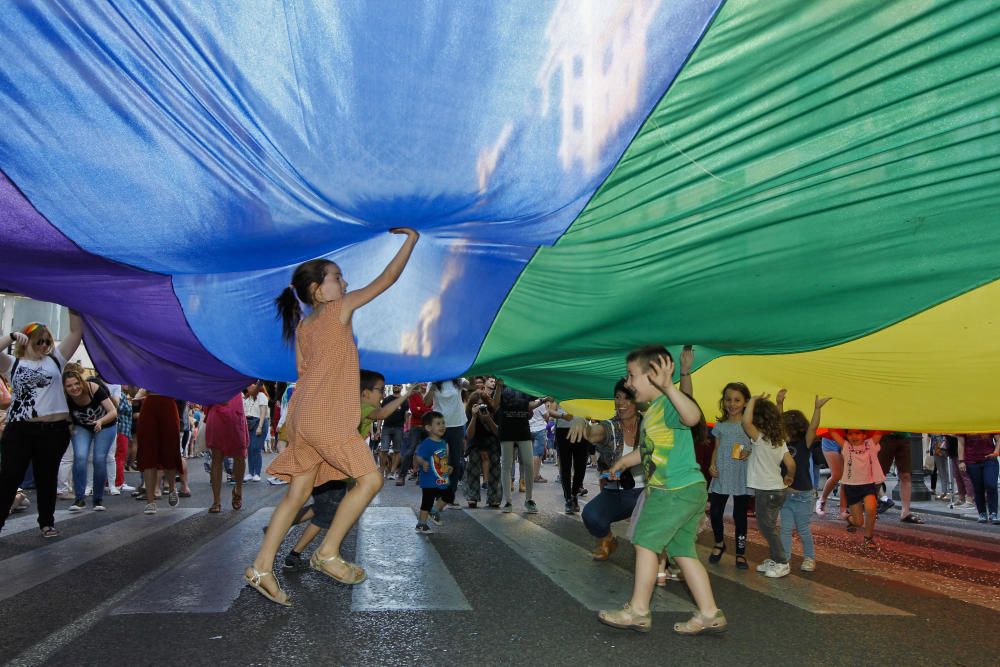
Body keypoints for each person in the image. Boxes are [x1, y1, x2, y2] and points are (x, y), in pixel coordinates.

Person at [245, 227, 418, 606]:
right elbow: (388, 278)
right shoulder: (338, 310)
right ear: (318, 290)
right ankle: (327, 552)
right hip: (326, 417)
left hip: (303, 416)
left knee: (297, 495)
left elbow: (303, 374)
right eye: (337, 277)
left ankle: (261, 567)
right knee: (370, 480)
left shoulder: (304, 327)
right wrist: (412, 239)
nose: (345, 282)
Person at [599, 345, 725, 635]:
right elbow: (647, 450)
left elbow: (693, 417)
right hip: (688, 490)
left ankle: (639, 610)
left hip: (673, 490)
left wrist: (671, 386)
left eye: (631, 375)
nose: (627, 383)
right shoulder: (652, 412)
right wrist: (622, 462)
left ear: (654, 375)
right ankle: (708, 612)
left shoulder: (668, 404)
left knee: (645, 542)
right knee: (682, 551)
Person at [0, 313, 84, 538]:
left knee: (47, 477)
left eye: (48, 341)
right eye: (40, 340)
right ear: (27, 340)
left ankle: (46, 522)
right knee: (10, 476)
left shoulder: (56, 359)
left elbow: (76, 332)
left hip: (54, 431)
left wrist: (72, 302)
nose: (45, 345)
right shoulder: (13, 363)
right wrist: (10, 337)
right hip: (21, 429)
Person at [572, 378, 644, 561]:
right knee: (591, 515)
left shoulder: (649, 424)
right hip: (617, 494)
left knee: (649, 542)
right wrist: (581, 423)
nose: (621, 402)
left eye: (627, 398)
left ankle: (672, 559)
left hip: (649, 492)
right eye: (617, 397)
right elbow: (593, 431)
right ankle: (607, 539)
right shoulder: (610, 427)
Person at [777, 392, 829, 572]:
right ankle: (784, 559)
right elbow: (777, 424)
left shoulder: (804, 443)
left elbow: (813, 428)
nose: (785, 432)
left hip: (803, 497)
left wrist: (817, 408)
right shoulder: (781, 444)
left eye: (788, 428)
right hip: (785, 495)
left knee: (803, 530)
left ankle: (809, 558)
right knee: (784, 530)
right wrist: (779, 403)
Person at [707, 382, 753, 570]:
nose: (732, 404)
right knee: (716, 512)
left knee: (740, 515)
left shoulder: (749, 425)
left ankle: (740, 552)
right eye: (728, 400)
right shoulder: (720, 425)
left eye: (737, 400)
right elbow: (716, 448)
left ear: (746, 403)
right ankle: (719, 543)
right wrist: (711, 464)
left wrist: (749, 453)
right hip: (722, 474)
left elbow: (757, 446)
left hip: (742, 475)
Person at [62, 369, 118, 512]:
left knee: (99, 459)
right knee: (80, 457)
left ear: (81, 382)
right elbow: (67, 416)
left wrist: (100, 421)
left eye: (76, 383)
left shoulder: (93, 389)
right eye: (69, 386)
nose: (74, 388)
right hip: (82, 427)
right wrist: (69, 427)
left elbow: (113, 411)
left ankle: (97, 500)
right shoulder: (64, 397)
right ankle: (79, 499)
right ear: (64, 388)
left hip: (105, 424)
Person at [489, 378, 544, 515]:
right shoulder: (502, 382)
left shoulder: (524, 383)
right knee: (506, 464)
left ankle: (529, 499)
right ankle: (507, 501)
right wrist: (499, 387)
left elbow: (529, 404)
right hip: (506, 428)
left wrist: (543, 400)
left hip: (523, 428)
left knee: (529, 463)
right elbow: (495, 404)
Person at [827, 429, 885, 549]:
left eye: (857, 433)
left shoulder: (870, 444)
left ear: (864, 435)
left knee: (871, 509)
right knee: (859, 523)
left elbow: (880, 429)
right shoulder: (846, 446)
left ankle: (868, 539)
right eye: (850, 433)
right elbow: (832, 431)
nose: (854, 436)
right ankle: (847, 517)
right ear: (846, 436)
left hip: (868, 485)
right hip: (851, 487)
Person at [136, 392, 182, 515]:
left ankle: (172, 488)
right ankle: (150, 502)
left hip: (168, 403)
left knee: (170, 451)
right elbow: (133, 389)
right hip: (149, 404)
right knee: (148, 453)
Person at [423, 379, 467, 497]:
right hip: (438, 425)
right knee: (438, 459)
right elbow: (426, 402)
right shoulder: (432, 382)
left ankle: (450, 494)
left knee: (455, 461)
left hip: (456, 424)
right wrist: (432, 388)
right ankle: (437, 491)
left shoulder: (459, 380)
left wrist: (469, 371)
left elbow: (471, 385)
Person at [205, 393, 248, 513]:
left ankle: (238, 490)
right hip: (216, 410)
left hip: (235, 411)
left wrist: (259, 380)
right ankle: (216, 501)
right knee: (216, 457)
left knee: (239, 456)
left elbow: (252, 390)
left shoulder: (243, 373)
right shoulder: (213, 373)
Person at [413, 411, 454, 533]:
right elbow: (418, 456)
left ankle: (434, 511)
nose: (442, 426)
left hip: (441, 477)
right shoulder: (427, 443)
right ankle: (421, 524)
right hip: (429, 479)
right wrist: (423, 463)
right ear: (428, 428)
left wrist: (448, 467)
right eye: (438, 423)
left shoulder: (442, 442)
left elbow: (442, 459)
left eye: (443, 423)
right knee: (427, 501)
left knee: (449, 495)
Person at [462, 390, 501, 508]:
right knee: (473, 466)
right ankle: (472, 496)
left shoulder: (493, 412)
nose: (480, 407)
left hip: (491, 440)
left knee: (495, 466)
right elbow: (469, 435)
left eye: (483, 404)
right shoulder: (470, 412)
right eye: (477, 405)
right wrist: (474, 417)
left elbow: (498, 432)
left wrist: (488, 419)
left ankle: (494, 497)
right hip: (475, 440)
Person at [876, 432, 924, 523]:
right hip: (885, 434)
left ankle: (905, 512)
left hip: (903, 435)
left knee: (905, 475)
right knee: (878, 475)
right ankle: (871, 509)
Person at [958, 433, 999, 523]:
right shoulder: (964, 425)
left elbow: (998, 439)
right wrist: (961, 461)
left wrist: (996, 452)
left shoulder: (988, 422)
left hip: (990, 459)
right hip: (972, 461)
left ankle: (993, 513)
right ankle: (982, 513)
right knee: (978, 487)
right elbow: (961, 443)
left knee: (991, 484)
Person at [379, 384, 407, 478]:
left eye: (398, 385)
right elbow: (381, 413)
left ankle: (392, 472)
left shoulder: (404, 400)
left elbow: (406, 416)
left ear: (401, 387)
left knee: (397, 451)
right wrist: (378, 428)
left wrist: (406, 429)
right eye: (395, 385)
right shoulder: (387, 399)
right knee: (384, 450)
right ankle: (382, 470)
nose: (396, 386)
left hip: (399, 428)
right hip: (386, 427)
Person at [243, 383, 269, 482]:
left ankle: (257, 473)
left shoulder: (261, 396)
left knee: (256, 448)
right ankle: (250, 472)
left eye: (251, 385)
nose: (248, 387)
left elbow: (263, 413)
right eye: (248, 385)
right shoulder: (247, 397)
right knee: (249, 448)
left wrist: (260, 427)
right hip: (249, 423)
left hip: (259, 422)